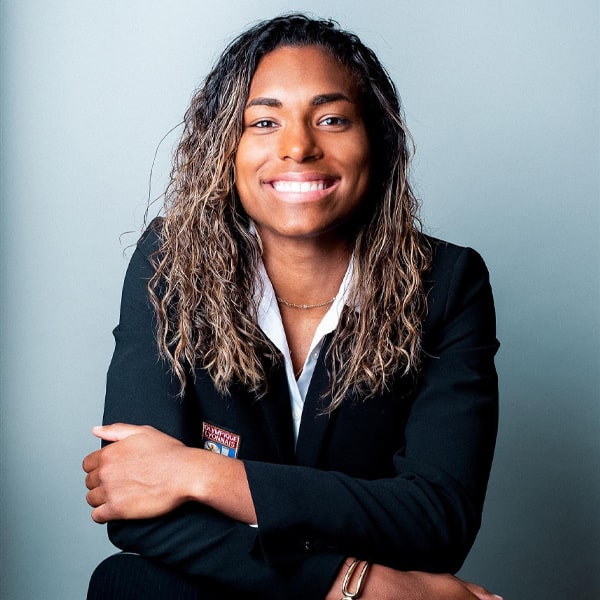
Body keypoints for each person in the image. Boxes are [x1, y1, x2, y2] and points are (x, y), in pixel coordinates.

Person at [83, 13, 501, 600]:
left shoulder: (446, 283)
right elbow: (133, 502)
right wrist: (359, 586)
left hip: (240, 577)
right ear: (224, 149)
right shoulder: (171, 264)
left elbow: (437, 519)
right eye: (264, 122)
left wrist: (203, 474)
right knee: (131, 583)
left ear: (376, 142)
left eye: (332, 119)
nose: (299, 147)